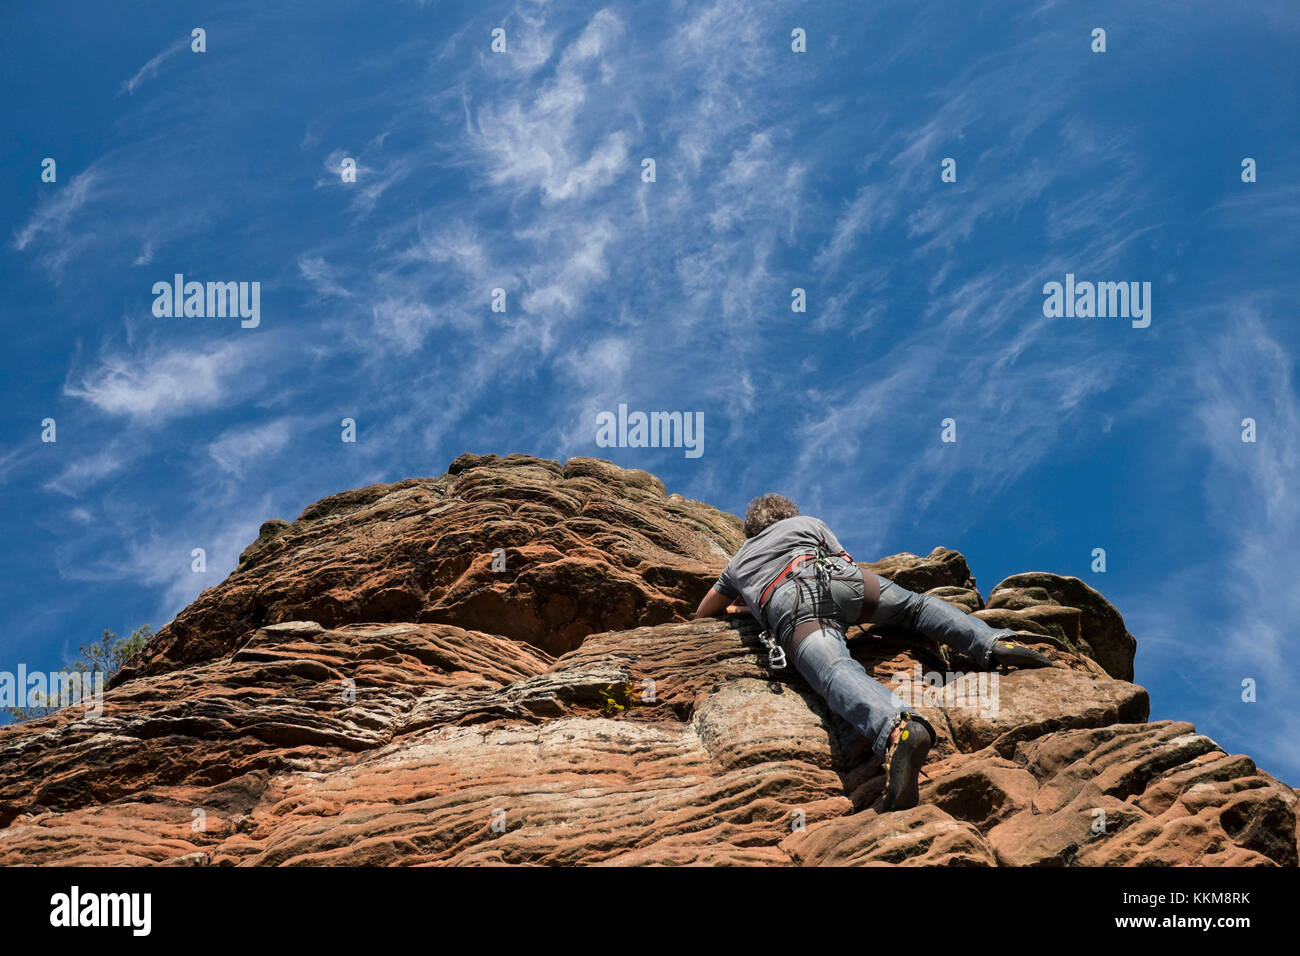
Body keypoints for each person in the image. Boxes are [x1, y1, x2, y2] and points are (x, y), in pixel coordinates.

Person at [694, 494, 1050, 812]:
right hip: (842, 577)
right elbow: (843, 558)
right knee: (917, 608)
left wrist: (745, 608)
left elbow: (703, 612)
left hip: (790, 604)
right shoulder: (808, 524)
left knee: (835, 669)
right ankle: (993, 643)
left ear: (751, 529)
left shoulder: (739, 560)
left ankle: (900, 730)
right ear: (788, 514)